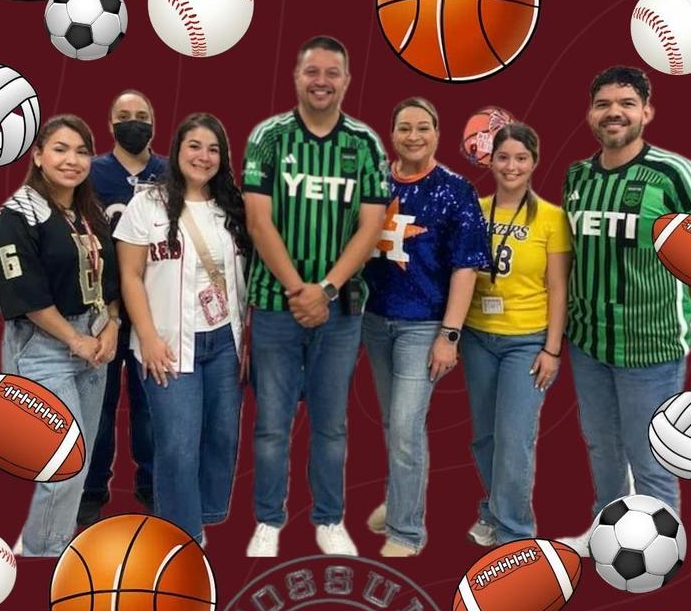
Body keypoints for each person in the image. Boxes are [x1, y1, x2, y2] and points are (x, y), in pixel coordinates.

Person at [559, 66, 691, 554]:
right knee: (602, 448)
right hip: (588, 341)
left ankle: (659, 551)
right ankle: (606, 530)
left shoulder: (677, 176)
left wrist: (674, 316)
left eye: (627, 103)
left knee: (651, 456)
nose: (614, 112)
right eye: (603, 103)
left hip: (650, 348)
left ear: (647, 111)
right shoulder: (578, 176)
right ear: (590, 114)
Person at [242, 35, 389, 557]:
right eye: (312, 71)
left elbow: (371, 227)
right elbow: (259, 221)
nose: (322, 80)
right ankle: (268, 521)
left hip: (341, 311)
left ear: (347, 81)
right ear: (297, 77)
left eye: (333, 72)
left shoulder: (366, 144)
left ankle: (329, 519)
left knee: (331, 425)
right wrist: (297, 291)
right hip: (276, 307)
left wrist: (324, 290)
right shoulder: (269, 137)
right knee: (271, 427)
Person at [0, 115, 120, 557]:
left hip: (94, 343)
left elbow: (112, 281)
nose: (73, 160)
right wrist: (75, 339)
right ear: (38, 156)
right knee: (62, 466)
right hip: (45, 347)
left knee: (77, 467)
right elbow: (26, 295)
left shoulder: (88, 212)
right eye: (61, 149)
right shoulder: (17, 215)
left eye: (82, 151)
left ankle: (52, 543)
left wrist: (112, 326)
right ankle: (43, 556)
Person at [114, 113, 248, 544]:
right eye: (194, 145)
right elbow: (131, 275)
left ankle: (206, 509)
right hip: (168, 342)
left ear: (222, 158)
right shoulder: (147, 204)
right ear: (177, 150)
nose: (203, 156)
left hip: (224, 341)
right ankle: (183, 532)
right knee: (176, 443)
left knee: (223, 434)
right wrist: (148, 337)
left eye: (213, 149)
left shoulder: (233, 206)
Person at [362, 98, 488, 556]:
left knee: (406, 428)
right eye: (403, 128)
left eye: (422, 128)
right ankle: (400, 501)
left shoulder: (456, 190)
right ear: (391, 133)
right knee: (393, 423)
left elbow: (466, 268)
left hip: (424, 326)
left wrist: (449, 335)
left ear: (437, 133)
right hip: (375, 321)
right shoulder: (373, 182)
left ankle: (406, 532)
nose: (413, 136)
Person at [462, 123, 571, 546]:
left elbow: (559, 286)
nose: (511, 166)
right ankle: (494, 510)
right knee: (485, 435)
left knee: (515, 437)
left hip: (526, 340)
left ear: (534, 163)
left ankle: (515, 533)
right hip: (478, 338)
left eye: (520, 158)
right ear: (490, 160)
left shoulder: (551, 218)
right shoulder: (475, 208)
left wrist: (552, 348)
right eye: (503, 157)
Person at [77, 89, 166, 527]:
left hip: (157, 309)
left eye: (142, 115)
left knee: (152, 405)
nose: (134, 122)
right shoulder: (89, 173)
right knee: (100, 404)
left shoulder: (170, 172)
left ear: (154, 122)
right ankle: (91, 490)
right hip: (101, 310)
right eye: (124, 115)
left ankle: (152, 485)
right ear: (110, 124)